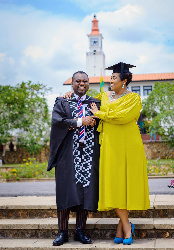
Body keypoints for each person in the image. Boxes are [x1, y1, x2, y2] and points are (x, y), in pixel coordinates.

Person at [89, 62, 150, 245]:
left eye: (114, 78)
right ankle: (126, 225)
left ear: (124, 81)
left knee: (125, 184)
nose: (111, 80)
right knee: (115, 183)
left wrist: (101, 114)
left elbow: (124, 117)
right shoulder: (105, 96)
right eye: (111, 77)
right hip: (110, 145)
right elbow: (87, 101)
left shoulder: (134, 98)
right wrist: (69, 95)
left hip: (129, 145)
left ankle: (123, 227)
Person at [47, 71, 100, 246]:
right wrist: (80, 122)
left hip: (88, 155)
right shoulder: (62, 101)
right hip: (67, 155)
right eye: (78, 81)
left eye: (85, 81)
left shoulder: (95, 103)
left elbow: (105, 119)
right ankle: (62, 232)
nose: (81, 84)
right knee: (65, 191)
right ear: (72, 83)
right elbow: (58, 122)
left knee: (86, 192)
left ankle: (80, 231)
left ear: (88, 83)